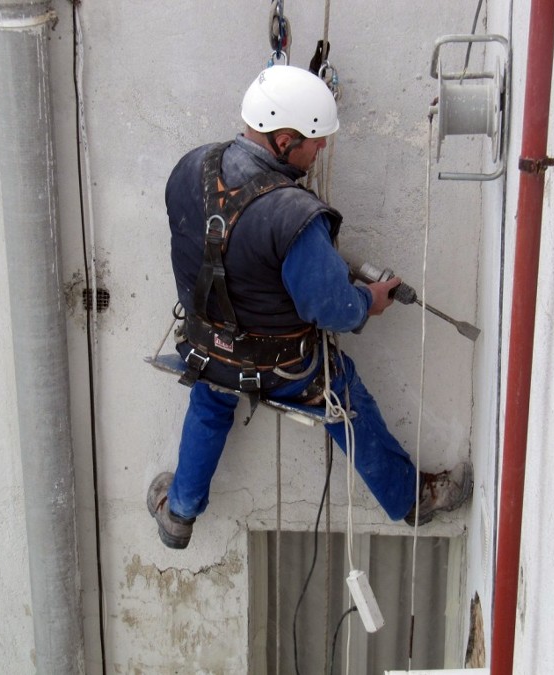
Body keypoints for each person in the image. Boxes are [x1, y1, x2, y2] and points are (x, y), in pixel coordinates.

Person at [148, 65, 472, 549]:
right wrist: (370, 300)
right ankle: (411, 499)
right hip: (280, 366)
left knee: (212, 396)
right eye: (314, 141)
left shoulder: (190, 166)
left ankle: (180, 512)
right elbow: (336, 311)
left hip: (206, 348)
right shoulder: (293, 214)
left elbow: (222, 249)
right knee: (343, 395)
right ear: (283, 140)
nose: (321, 149)